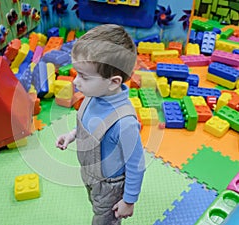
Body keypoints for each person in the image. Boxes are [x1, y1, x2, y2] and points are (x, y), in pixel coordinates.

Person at [55, 24, 145, 225]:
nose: (76, 82)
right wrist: (71, 135)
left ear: (113, 82)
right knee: (96, 207)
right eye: (76, 73)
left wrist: (129, 201)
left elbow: (136, 165)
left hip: (109, 186)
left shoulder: (124, 123)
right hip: (90, 175)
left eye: (84, 76)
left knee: (104, 221)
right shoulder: (93, 96)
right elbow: (90, 128)